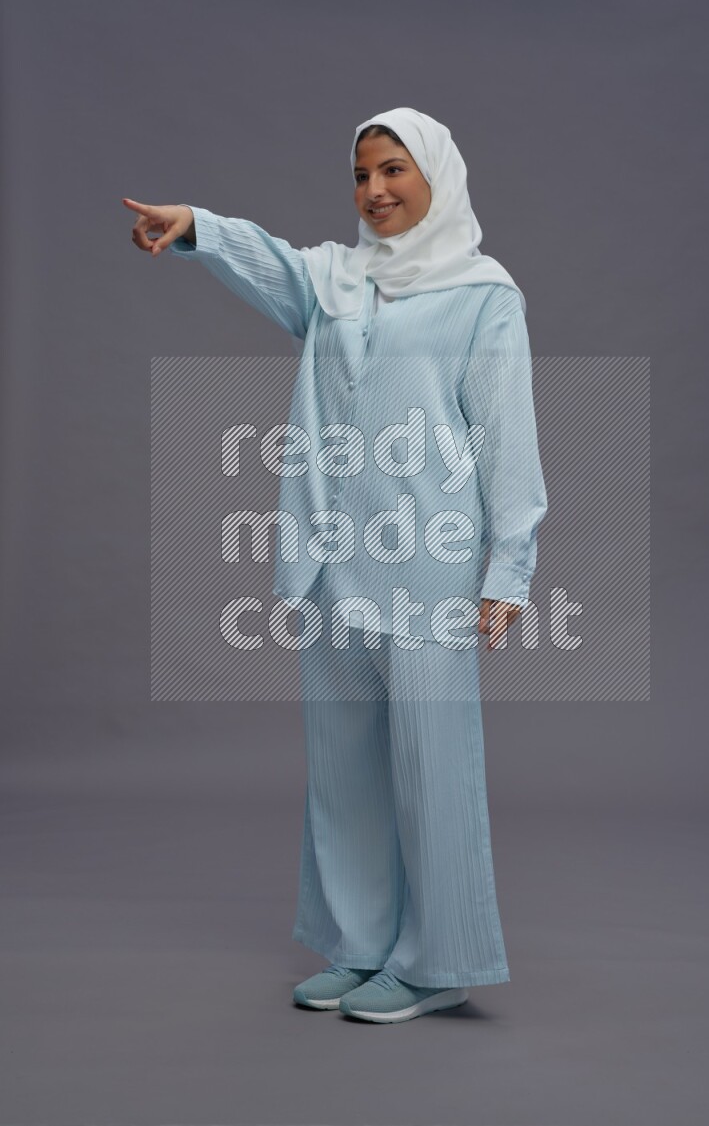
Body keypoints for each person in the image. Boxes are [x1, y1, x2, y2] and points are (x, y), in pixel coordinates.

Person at [124, 106, 547, 1024]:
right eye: (360, 176)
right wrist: (196, 224)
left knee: (432, 765)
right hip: (330, 559)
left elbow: (507, 437)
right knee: (344, 766)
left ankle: (438, 962)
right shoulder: (336, 280)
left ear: (436, 175)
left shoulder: (484, 294)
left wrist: (508, 571)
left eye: (393, 170)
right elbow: (270, 258)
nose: (375, 191)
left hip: (428, 563)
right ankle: (359, 947)